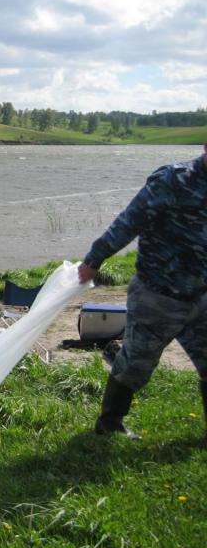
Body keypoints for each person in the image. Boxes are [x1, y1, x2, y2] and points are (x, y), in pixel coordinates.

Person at [78, 143, 207, 439]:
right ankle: (109, 425)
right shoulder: (173, 180)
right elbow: (129, 221)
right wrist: (95, 259)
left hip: (201, 296)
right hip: (157, 295)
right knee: (135, 364)